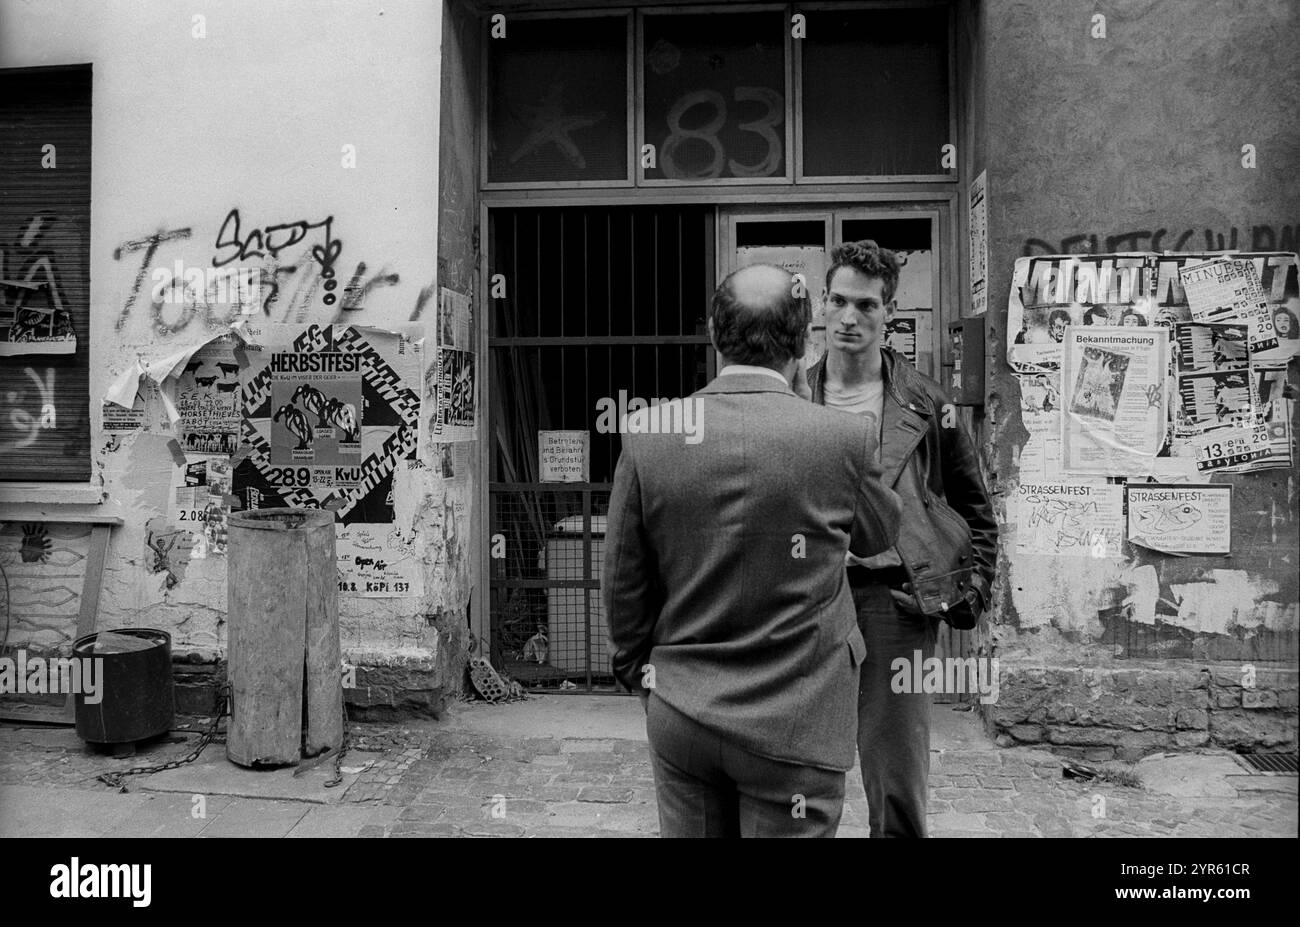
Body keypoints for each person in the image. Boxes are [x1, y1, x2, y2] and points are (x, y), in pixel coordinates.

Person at [605, 263, 902, 838]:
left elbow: (622, 587)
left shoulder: (650, 434)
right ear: (803, 340)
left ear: (716, 335)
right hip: (799, 720)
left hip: (684, 709)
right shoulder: (840, 438)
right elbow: (880, 535)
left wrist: (643, 679)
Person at [802, 240, 998, 838]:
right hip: (809, 602)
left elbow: (975, 509)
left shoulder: (928, 404)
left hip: (895, 601)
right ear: (822, 305)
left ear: (889, 312)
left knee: (896, 776)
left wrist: (968, 592)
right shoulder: (791, 397)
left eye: (865, 305)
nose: (848, 318)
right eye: (837, 301)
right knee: (802, 767)